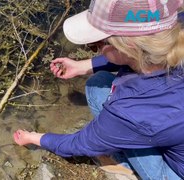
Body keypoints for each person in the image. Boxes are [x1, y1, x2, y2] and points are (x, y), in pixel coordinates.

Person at [13, 0, 184, 179]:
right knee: (99, 82)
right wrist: (83, 67)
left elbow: (80, 143)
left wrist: (34, 138)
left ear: (126, 47)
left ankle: (121, 164)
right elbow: (135, 53)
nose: (97, 50)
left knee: (107, 108)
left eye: (96, 45)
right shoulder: (175, 29)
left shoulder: (129, 110)